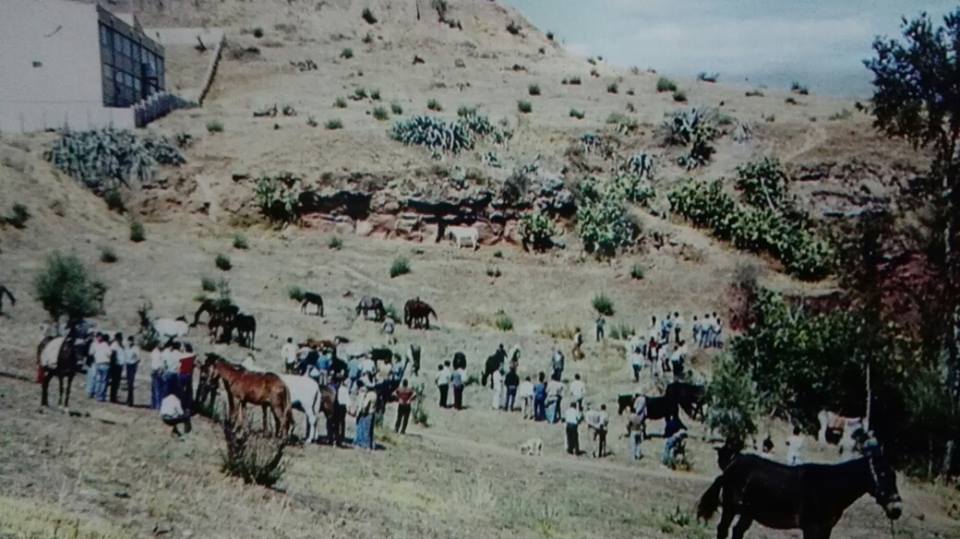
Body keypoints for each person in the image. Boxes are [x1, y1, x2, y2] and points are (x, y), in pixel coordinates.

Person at [353, 386, 377, 450]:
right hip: (372, 413)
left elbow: (365, 405)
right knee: (370, 431)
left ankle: (365, 445)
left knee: (365, 430)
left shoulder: (368, 395)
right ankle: (371, 445)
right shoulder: (375, 394)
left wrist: (362, 412)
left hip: (367, 414)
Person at [92, 333, 112, 402]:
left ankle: (96, 394)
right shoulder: (106, 345)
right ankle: (101, 396)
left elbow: (95, 354)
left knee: (98, 380)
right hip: (105, 364)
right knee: (103, 381)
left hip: (98, 363)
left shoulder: (98, 345)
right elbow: (109, 354)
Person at [178, 343, 196, 413]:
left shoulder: (181, 356)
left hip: (182, 374)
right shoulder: (192, 356)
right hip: (189, 375)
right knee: (189, 391)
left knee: (181, 391)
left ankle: (181, 405)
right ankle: (188, 407)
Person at [333, 378, 350, 446]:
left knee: (341, 422)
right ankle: (337, 437)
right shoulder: (336, 389)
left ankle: (340, 437)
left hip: (341, 406)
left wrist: (348, 407)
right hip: (337, 406)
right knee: (337, 423)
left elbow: (347, 399)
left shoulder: (343, 389)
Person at [108, 332, 124, 403]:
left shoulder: (120, 345)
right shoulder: (114, 345)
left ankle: (114, 396)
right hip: (115, 366)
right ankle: (112, 398)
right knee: (114, 382)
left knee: (116, 382)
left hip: (119, 365)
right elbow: (113, 356)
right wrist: (113, 365)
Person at [124, 336, 139, 407]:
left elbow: (138, 358)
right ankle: (128, 399)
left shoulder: (136, 348)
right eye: (129, 341)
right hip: (127, 365)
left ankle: (130, 401)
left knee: (131, 383)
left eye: (131, 341)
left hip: (132, 366)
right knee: (128, 383)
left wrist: (135, 365)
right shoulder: (126, 348)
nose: (130, 342)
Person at [150, 343, 164, 409]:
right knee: (156, 389)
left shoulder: (156, 352)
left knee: (155, 390)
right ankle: (156, 405)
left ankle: (155, 405)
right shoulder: (157, 353)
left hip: (156, 371)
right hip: (156, 371)